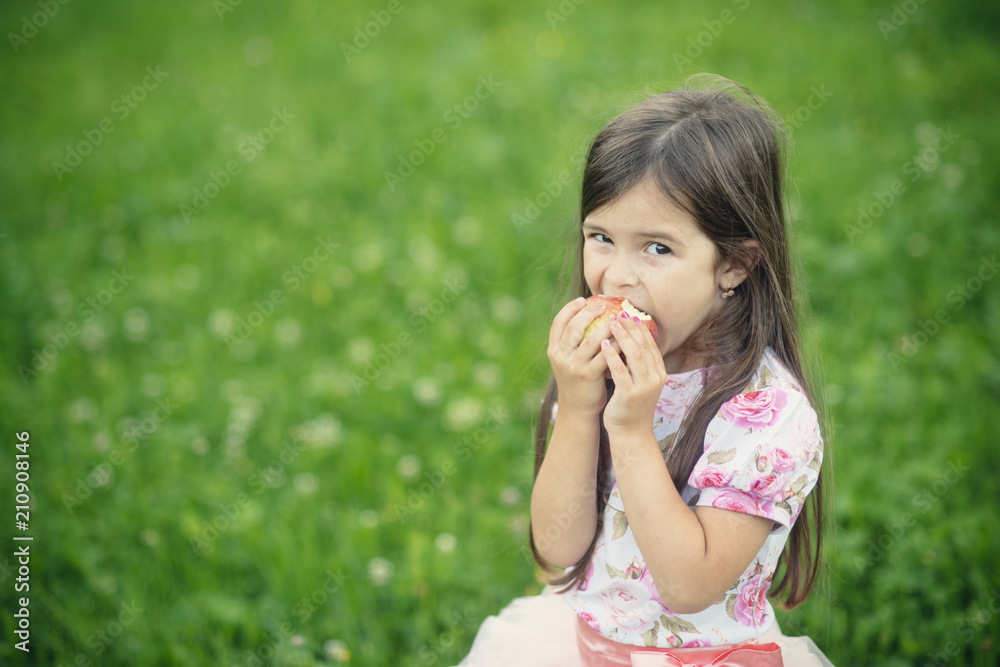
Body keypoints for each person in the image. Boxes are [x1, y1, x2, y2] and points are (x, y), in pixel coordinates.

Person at [457, 75, 834, 666]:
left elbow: (689, 586)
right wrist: (581, 409)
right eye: (601, 237)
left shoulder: (764, 415)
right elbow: (559, 547)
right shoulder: (602, 371)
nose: (617, 277)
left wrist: (631, 431)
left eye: (657, 247)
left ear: (734, 264)